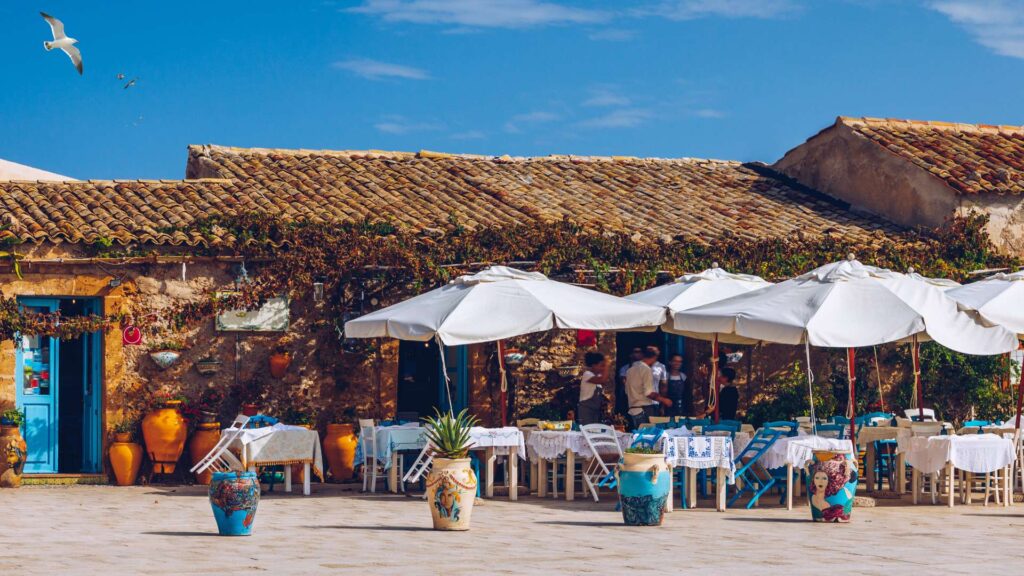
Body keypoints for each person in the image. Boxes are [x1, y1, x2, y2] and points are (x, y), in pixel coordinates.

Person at [625, 348, 672, 429]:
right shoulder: (646, 369)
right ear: (654, 358)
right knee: (648, 437)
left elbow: (626, 391)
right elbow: (648, 393)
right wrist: (664, 400)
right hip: (644, 410)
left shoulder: (630, 370)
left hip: (633, 410)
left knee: (637, 437)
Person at [577, 352, 608, 426]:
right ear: (594, 365)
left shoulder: (597, 376)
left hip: (595, 411)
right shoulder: (587, 374)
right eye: (601, 366)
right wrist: (607, 366)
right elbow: (602, 380)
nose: (602, 368)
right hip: (586, 410)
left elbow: (603, 379)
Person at [664, 353, 693, 418]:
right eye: (675, 361)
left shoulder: (684, 377)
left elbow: (688, 395)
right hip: (668, 408)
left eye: (680, 361)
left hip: (682, 408)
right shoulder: (665, 376)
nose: (677, 363)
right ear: (670, 362)